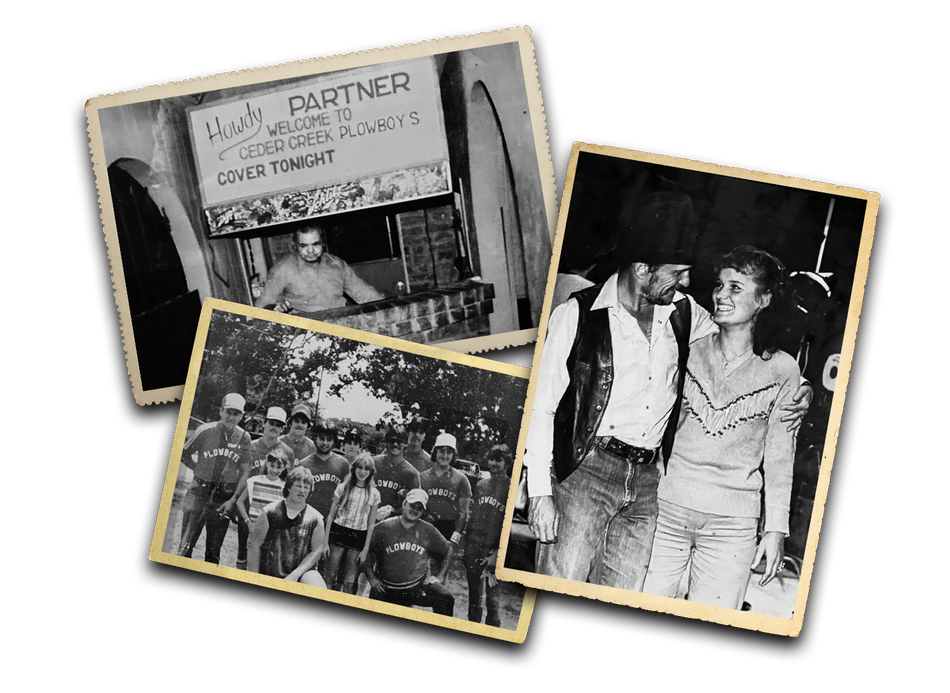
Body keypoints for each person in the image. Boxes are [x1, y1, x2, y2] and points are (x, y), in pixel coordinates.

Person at [523, 191, 813, 591]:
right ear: (643, 269)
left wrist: (801, 388)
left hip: (647, 485)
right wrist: (539, 493)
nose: (688, 283)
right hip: (585, 472)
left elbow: (747, 347)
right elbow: (541, 407)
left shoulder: (683, 313)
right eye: (678, 273)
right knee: (560, 586)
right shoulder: (576, 315)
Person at [642, 246, 802, 609]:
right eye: (719, 285)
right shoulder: (690, 349)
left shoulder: (783, 370)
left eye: (735, 287)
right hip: (666, 509)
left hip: (733, 526)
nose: (720, 295)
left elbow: (780, 457)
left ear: (764, 300)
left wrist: (775, 530)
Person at [178, 393, 253, 564]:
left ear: (241, 416)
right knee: (185, 547)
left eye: (236, 414)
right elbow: (183, 453)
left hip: (223, 497)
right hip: (199, 491)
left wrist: (233, 499)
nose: (231, 417)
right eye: (228, 412)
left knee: (213, 552)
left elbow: (245, 471)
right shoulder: (205, 430)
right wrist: (197, 468)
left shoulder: (244, 437)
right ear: (221, 411)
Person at [255, 223, 385, 316]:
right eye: (304, 245)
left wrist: (386, 306)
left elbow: (363, 292)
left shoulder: (337, 264)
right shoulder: (282, 270)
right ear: (295, 246)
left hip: (341, 323)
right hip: (305, 332)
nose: (310, 250)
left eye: (315, 244)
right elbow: (261, 307)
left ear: (323, 243)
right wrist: (274, 308)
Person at [364, 489, 455, 616]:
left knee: (446, 598)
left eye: (419, 508)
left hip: (415, 587)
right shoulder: (384, 527)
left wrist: (439, 577)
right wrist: (371, 578)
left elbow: (449, 549)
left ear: (423, 512)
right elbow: (366, 549)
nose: (415, 510)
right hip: (386, 588)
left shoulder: (428, 530)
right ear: (404, 504)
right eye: (412, 505)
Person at [235, 407, 296, 569]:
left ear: (283, 428)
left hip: (272, 514)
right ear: (264, 423)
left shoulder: (287, 451)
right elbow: (240, 476)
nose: (274, 427)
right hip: (249, 509)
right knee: (243, 552)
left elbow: (287, 484)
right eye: (271, 423)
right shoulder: (251, 446)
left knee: (266, 556)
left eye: (278, 425)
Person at [463, 444, 515, 626]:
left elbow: (508, 528)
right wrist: (467, 549)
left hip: (494, 551)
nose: (493, 463)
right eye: (491, 458)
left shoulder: (511, 488)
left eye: (498, 459)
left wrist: (497, 555)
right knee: (474, 598)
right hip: (474, 547)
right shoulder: (480, 485)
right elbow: (473, 519)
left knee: (492, 602)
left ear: (507, 462)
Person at [323, 452, 381, 593]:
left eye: (366, 469)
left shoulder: (374, 493)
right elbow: (331, 516)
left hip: (358, 536)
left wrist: (365, 549)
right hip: (339, 531)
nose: (362, 472)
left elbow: (371, 524)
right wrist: (325, 542)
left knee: (349, 581)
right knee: (330, 575)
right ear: (354, 469)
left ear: (371, 472)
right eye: (359, 468)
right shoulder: (343, 488)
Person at [419, 432, 472, 543]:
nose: (445, 456)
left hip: (448, 529)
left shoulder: (461, 479)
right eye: (441, 451)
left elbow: (464, 513)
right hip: (424, 524)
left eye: (449, 452)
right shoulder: (422, 477)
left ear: (454, 455)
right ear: (435, 451)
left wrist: (455, 538)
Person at [297, 420, 350, 522]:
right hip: (308, 518)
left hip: (335, 521)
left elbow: (348, 494)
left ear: (334, 441)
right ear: (315, 438)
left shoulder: (344, 464)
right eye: (321, 438)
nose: (325, 443)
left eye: (329, 439)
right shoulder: (303, 465)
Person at [373, 427, 421, 522]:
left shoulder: (411, 473)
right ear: (386, 442)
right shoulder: (373, 463)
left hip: (394, 522)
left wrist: (393, 510)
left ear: (406, 444)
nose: (395, 444)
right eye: (392, 441)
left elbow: (416, 505)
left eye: (399, 442)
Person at [237, 447, 289, 527]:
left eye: (278, 467)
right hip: (255, 527)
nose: (274, 470)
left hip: (274, 529)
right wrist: (248, 521)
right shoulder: (254, 481)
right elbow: (239, 502)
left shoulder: (284, 486)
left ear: (284, 467)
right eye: (272, 466)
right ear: (267, 463)